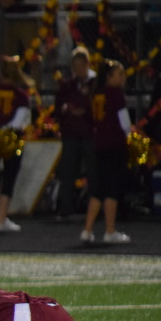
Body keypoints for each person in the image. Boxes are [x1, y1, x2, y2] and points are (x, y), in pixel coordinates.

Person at [81, 60, 132, 244]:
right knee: (111, 188)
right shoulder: (115, 94)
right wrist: (131, 139)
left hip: (99, 144)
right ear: (109, 77)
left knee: (100, 188)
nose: (123, 78)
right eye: (119, 74)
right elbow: (125, 123)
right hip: (114, 144)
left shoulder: (97, 94)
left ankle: (87, 230)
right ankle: (110, 231)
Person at [0, 56, 34, 233]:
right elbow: (17, 122)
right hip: (12, 139)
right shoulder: (21, 96)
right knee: (9, 178)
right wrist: (5, 134)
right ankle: (0, 219)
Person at [53, 47, 97, 219]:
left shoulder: (95, 83)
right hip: (71, 132)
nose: (77, 69)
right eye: (75, 65)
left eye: (80, 65)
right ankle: (66, 208)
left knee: (93, 172)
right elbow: (58, 107)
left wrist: (85, 111)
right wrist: (67, 111)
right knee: (68, 170)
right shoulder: (67, 85)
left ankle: (93, 208)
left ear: (87, 64)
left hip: (89, 132)